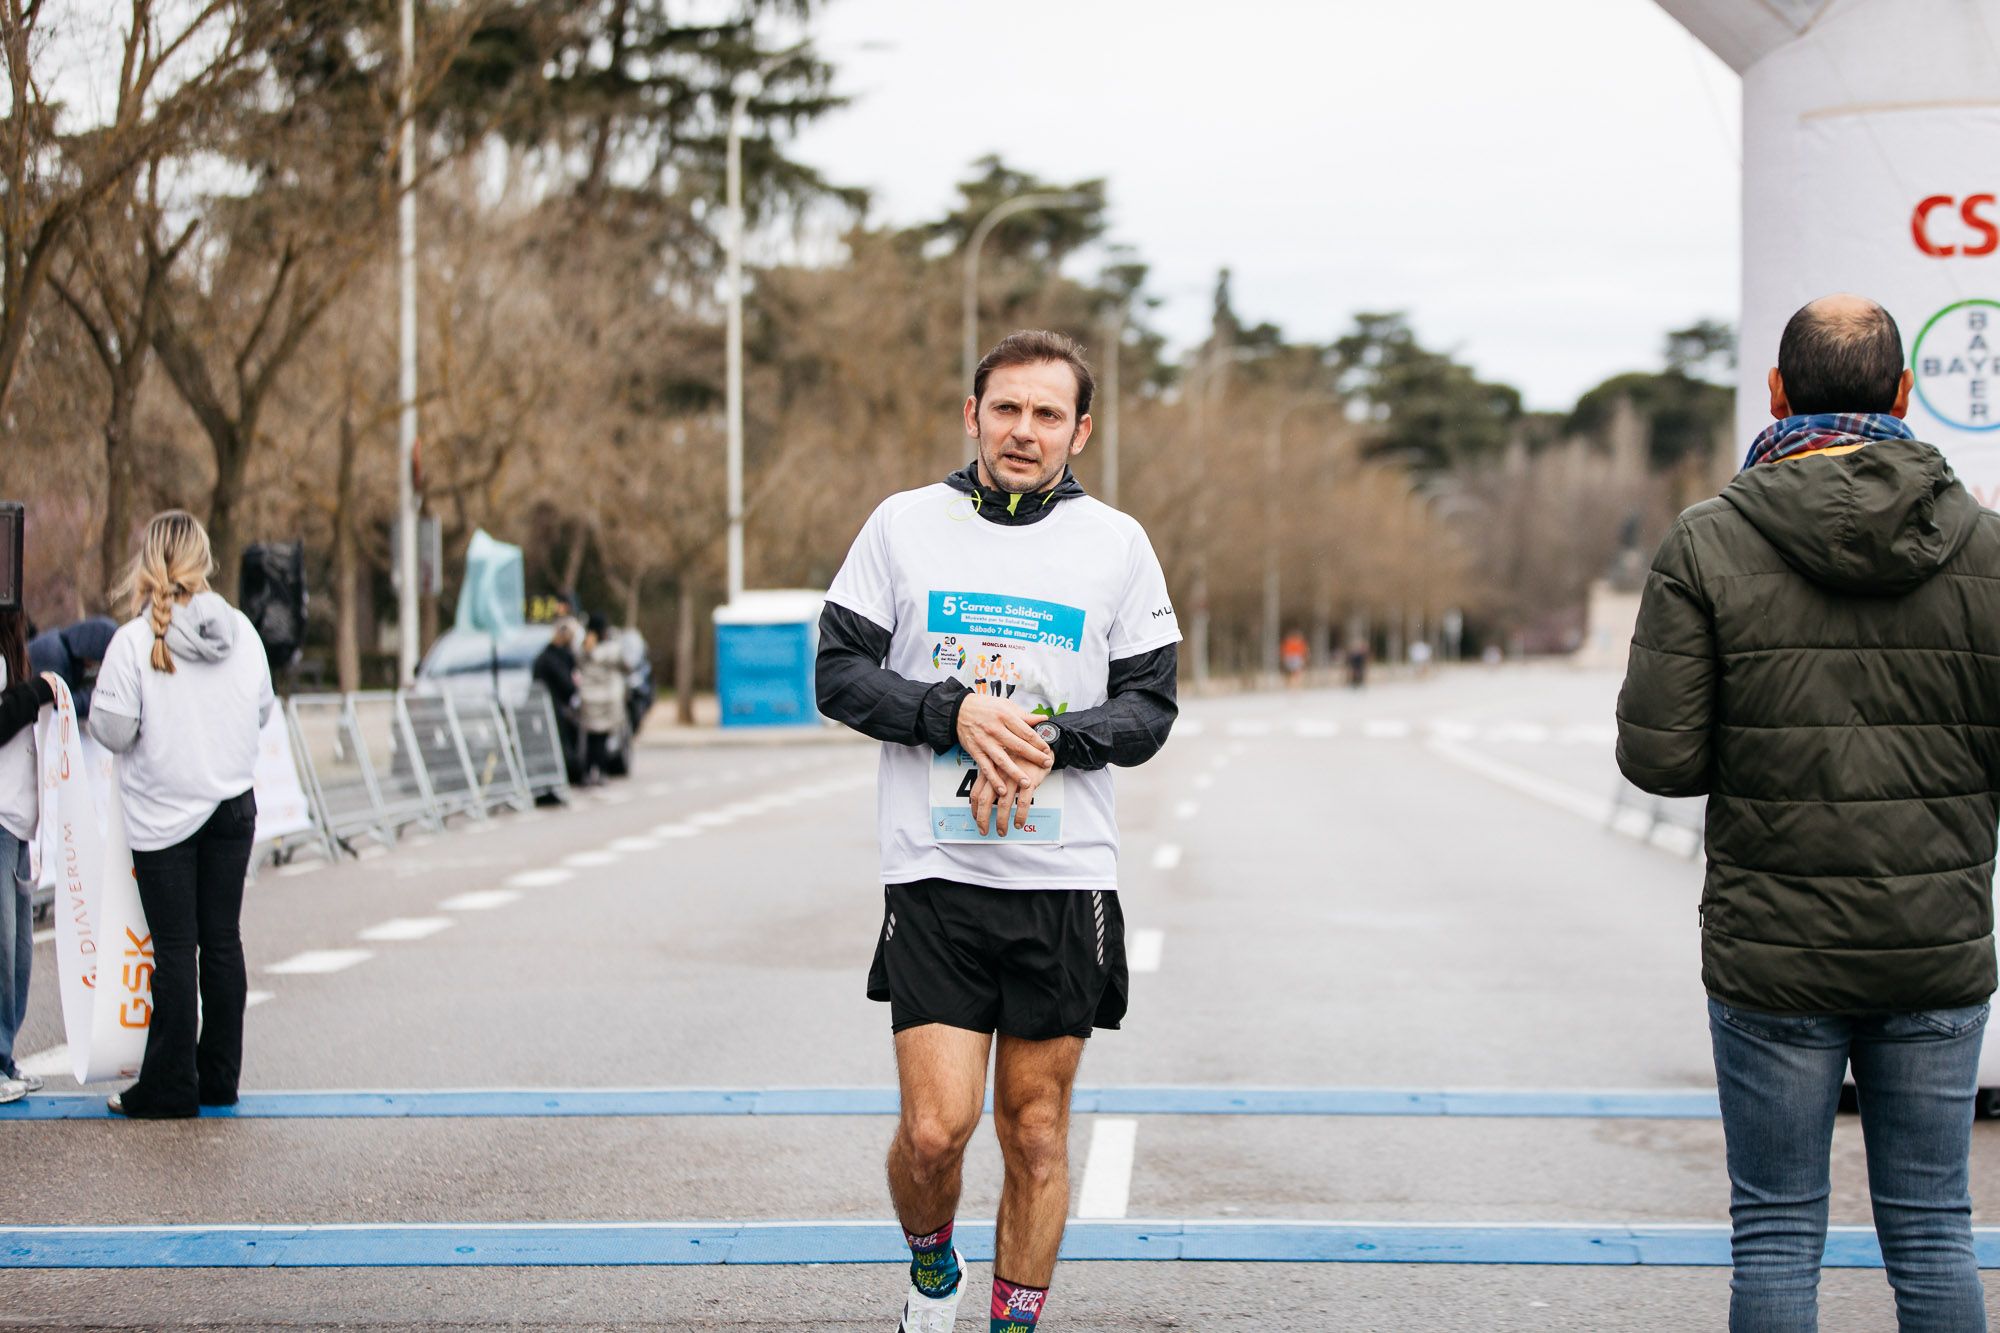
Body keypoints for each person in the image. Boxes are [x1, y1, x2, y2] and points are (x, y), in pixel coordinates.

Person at [1617, 294, 1997, 1331]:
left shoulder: (1707, 542)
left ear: (1777, 392)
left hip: (1771, 947)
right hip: (1934, 942)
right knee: (1932, 1227)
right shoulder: (1985, 548)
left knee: (1777, 1229)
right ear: (1904, 392)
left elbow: (1659, 759)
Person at [816, 330, 1180, 1333]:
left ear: (1080, 431)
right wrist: (952, 712)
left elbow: (1149, 708)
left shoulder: (1116, 544)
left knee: (1036, 1132)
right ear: (972, 414)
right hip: (933, 873)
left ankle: (1011, 1325)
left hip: (1062, 878)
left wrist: (1047, 740)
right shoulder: (902, 526)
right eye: (1007, 408)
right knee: (935, 1132)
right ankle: (934, 1267)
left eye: (1047, 414)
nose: (1024, 430)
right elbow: (837, 675)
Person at [88, 511, 273, 1119]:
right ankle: (218, 1076)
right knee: (222, 941)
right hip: (232, 806)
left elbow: (114, 731)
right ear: (205, 559)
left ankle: (170, 1084)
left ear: (149, 561)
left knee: (174, 948)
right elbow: (263, 710)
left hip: (164, 814)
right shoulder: (243, 632)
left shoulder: (134, 641)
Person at [0, 605, 52, 1104]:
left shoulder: (12, 654)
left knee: (17, 952)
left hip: (15, 822)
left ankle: (5, 1056)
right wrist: (34, 693)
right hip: (1, 819)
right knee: (3, 947)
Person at [577, 614, 628, 785]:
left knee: (590, 738)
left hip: (588, 699)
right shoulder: (612, 649)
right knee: (602, 738)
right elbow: (625, 664)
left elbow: (577, 663)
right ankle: (601, 770)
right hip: (606, 699)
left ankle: (588, 771)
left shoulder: (584, 649)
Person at [532, 617, 583, 788]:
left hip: (549, 708)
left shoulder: (545, 656)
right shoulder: (555, 658)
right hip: (555, 709)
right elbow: (567, 685)